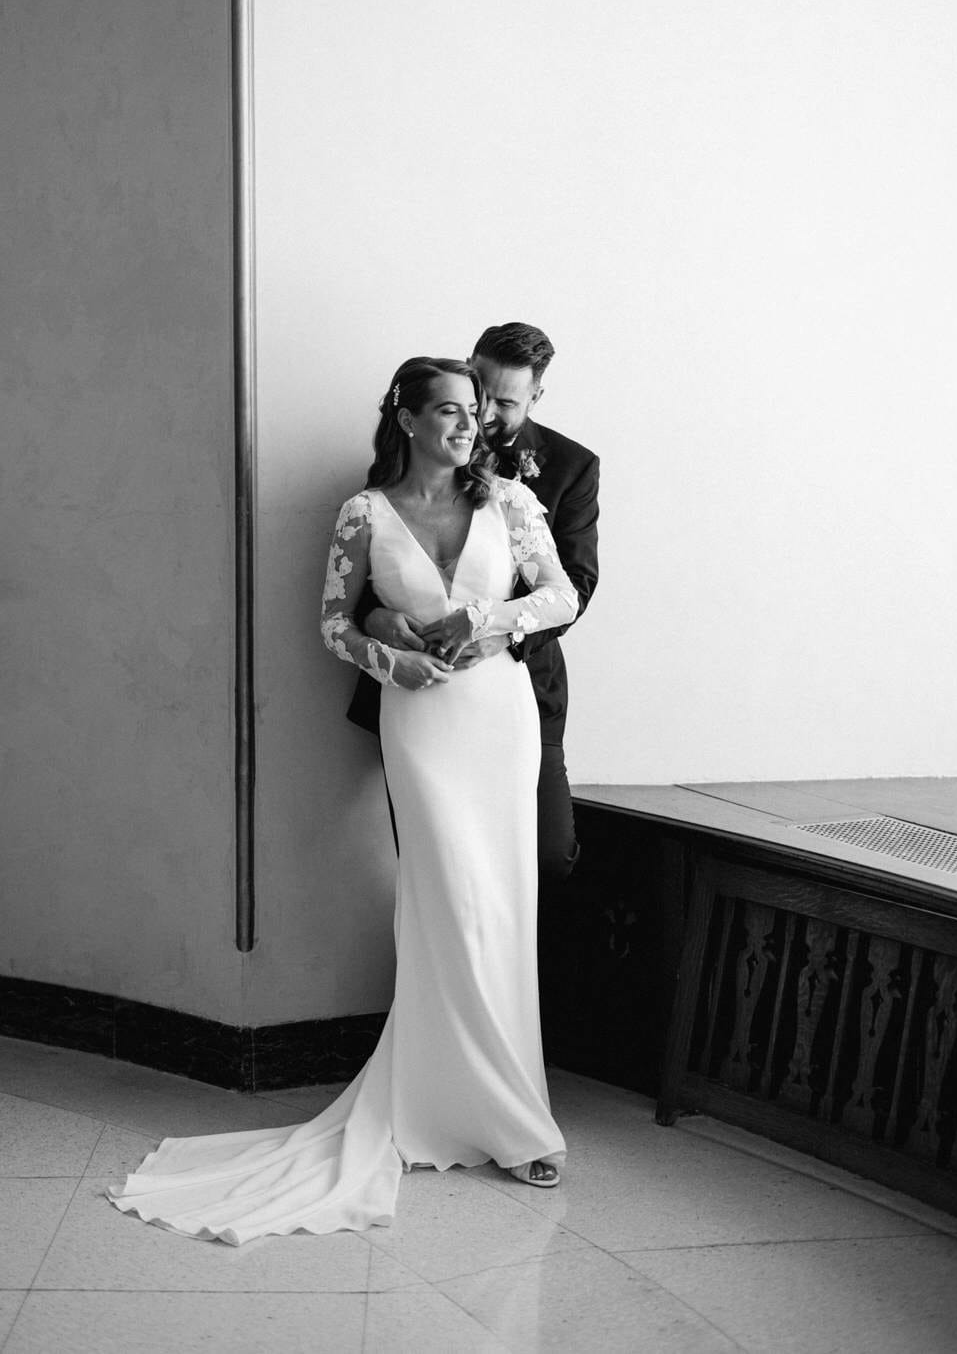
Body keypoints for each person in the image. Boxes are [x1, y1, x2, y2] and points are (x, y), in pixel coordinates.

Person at [105, 357, 578, 1243]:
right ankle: (461, 1106)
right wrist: (385, 653)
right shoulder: (363, 513)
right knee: (446, 904)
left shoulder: (509, 500)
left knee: (502, 908)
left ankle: (508, 1117)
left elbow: (560, 595)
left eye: (473, 412)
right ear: (403, 418)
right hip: (422, 724)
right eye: (446, 412)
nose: (466, 427)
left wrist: (483, 621)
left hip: (498, 716)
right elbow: (332, 622)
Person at [350, 323, 599, 882]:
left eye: (503, 402)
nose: (481, 414)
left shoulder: (570, 467)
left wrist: (497, 632)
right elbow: (378, 565)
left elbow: (574, 586)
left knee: (546, 854)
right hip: (416, 691)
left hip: (519, 687)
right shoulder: (404, 467)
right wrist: (377, 618)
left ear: (537, 397)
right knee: (433, 862)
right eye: (477, 391)